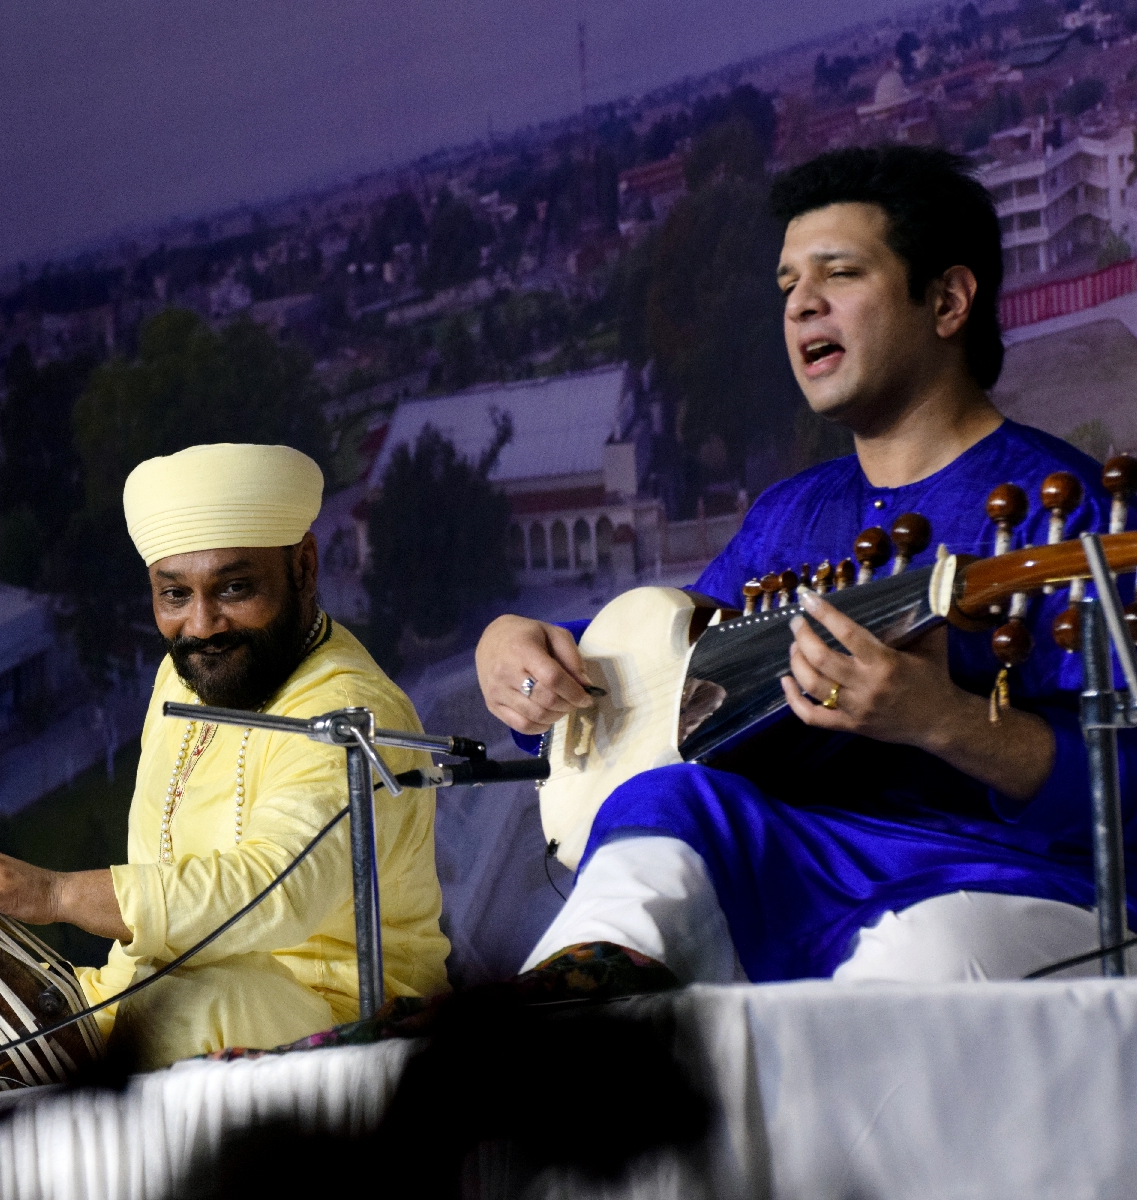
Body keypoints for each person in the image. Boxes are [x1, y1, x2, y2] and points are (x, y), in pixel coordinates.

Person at [475, 145, 1133, 990]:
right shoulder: (790, 516)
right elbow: (669, 665)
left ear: (947, 300)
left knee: (917, 956)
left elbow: (1127, 787)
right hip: (811, 859)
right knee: (666, 802)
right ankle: (556, 1017)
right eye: (788, 284)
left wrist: (943, 721)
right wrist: (520, 653)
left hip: (1004, 877)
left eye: (840, 273)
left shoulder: (1070, 513)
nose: (801, 304)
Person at [0, 442, 450, 1067]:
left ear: (304, 567)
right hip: (178, 994)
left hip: (351, 1022)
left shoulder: (351, 712)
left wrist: (57, 895)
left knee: (181, 1009)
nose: (201, 625)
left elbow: (277, 889)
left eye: (235, 588)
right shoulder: (186, 677)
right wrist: (61, 1011)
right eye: (174, 595)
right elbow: (158, 941)